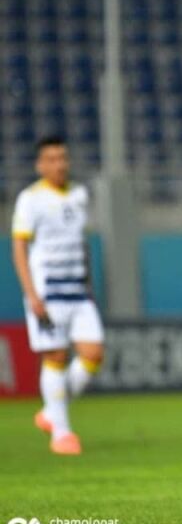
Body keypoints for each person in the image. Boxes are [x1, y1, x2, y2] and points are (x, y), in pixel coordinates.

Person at [11, 135, 104, 455]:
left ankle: (52, 411)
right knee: (55, 357)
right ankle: (62, 434)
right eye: (51, 159)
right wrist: (31, 294)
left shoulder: (79, 195)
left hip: (78, 290)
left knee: (93, 353)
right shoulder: (31, 199)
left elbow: (80, 244)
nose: (59, 164)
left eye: (63, 157)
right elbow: (20, 248)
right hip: (47, 291)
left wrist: (90, 285)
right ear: (40, 165)